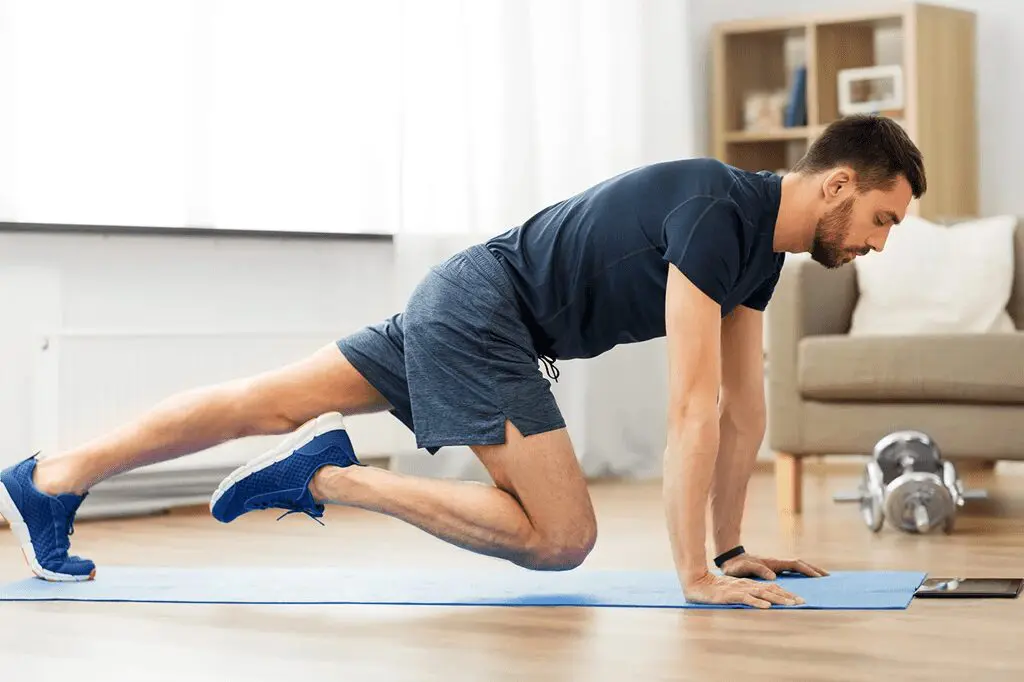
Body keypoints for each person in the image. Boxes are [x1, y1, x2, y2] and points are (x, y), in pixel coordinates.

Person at [0, 114, 925, 608]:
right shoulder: (719, 212)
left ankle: (53, 476)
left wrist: (726, 548)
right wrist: (693, 576)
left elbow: (742, 409)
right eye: (883, 218)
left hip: (477, 300)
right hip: (486, 313)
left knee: (265, 402)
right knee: (563, 537)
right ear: (838, 183)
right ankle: (332, 481)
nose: (881, 243)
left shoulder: (762, 248)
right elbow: (690, 407)